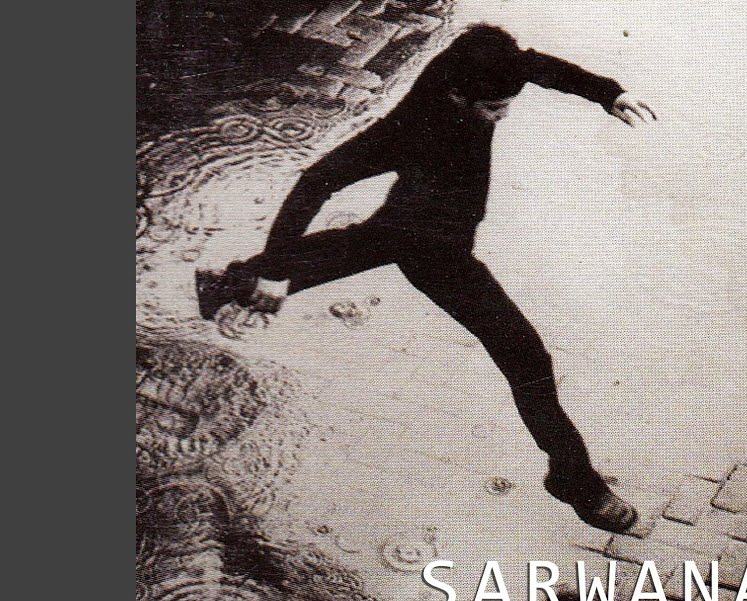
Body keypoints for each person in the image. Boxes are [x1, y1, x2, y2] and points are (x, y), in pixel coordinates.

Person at [197, 24, 656, 533]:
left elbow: (539, 65)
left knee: (364, 244)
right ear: (458, 96)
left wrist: (609, 94)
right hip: (438, 253)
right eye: (493, 109)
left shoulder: (488, 63)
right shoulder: (407, 130)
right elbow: (315, 182)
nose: (502, 116)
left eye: (507, 105)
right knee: (527, 357)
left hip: (408, 222)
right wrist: (276, 272)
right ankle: (575, 478)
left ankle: (229, 285)